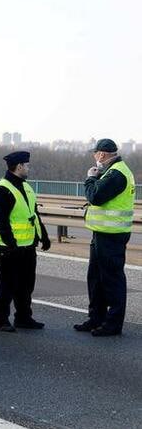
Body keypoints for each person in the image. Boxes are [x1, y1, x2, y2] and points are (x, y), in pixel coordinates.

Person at [74, 139, 135, 337]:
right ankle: (96, 318)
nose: (95, 157)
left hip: (111, 235)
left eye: (95, 153)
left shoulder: (117, 174)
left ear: (101, 154)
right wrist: (99, 176)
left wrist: (90, 178)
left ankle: (113, 324)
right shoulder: (111, 171)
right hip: (102, 233)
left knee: (112, 280)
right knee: (96, 279)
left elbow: (96, 197)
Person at [0, 151, 51, 332]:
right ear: (19, 166)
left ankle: (23, 318)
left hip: (28, 246)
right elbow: (0, 221)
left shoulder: (26, 187)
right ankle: (0, 320)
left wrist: (43, 236)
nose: (28, 168)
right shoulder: (2, 190)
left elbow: (34, 214)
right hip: (11, 248)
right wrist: (10, 244)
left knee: (26, 285)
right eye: (27, 165)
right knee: (7, 285)